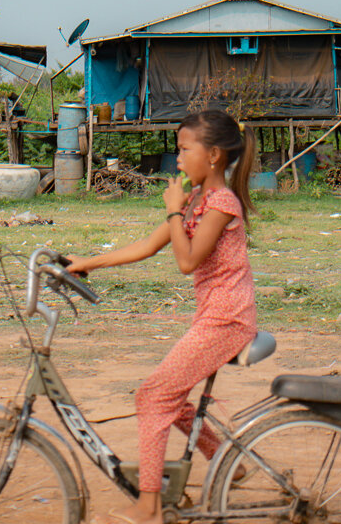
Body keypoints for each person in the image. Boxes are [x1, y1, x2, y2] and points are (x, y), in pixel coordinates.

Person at [67, 109, 257, 524]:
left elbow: (187, 262)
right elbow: (149, 246)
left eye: (184, 149)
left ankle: (149, 503)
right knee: (169, 396)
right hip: (214, 317)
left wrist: (174, 211)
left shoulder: (221, 203)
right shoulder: (198, 200)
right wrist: (88, 263)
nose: (177, 159)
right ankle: (229, 461)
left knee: (152, 396)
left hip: (228, 320)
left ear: (214, 157)